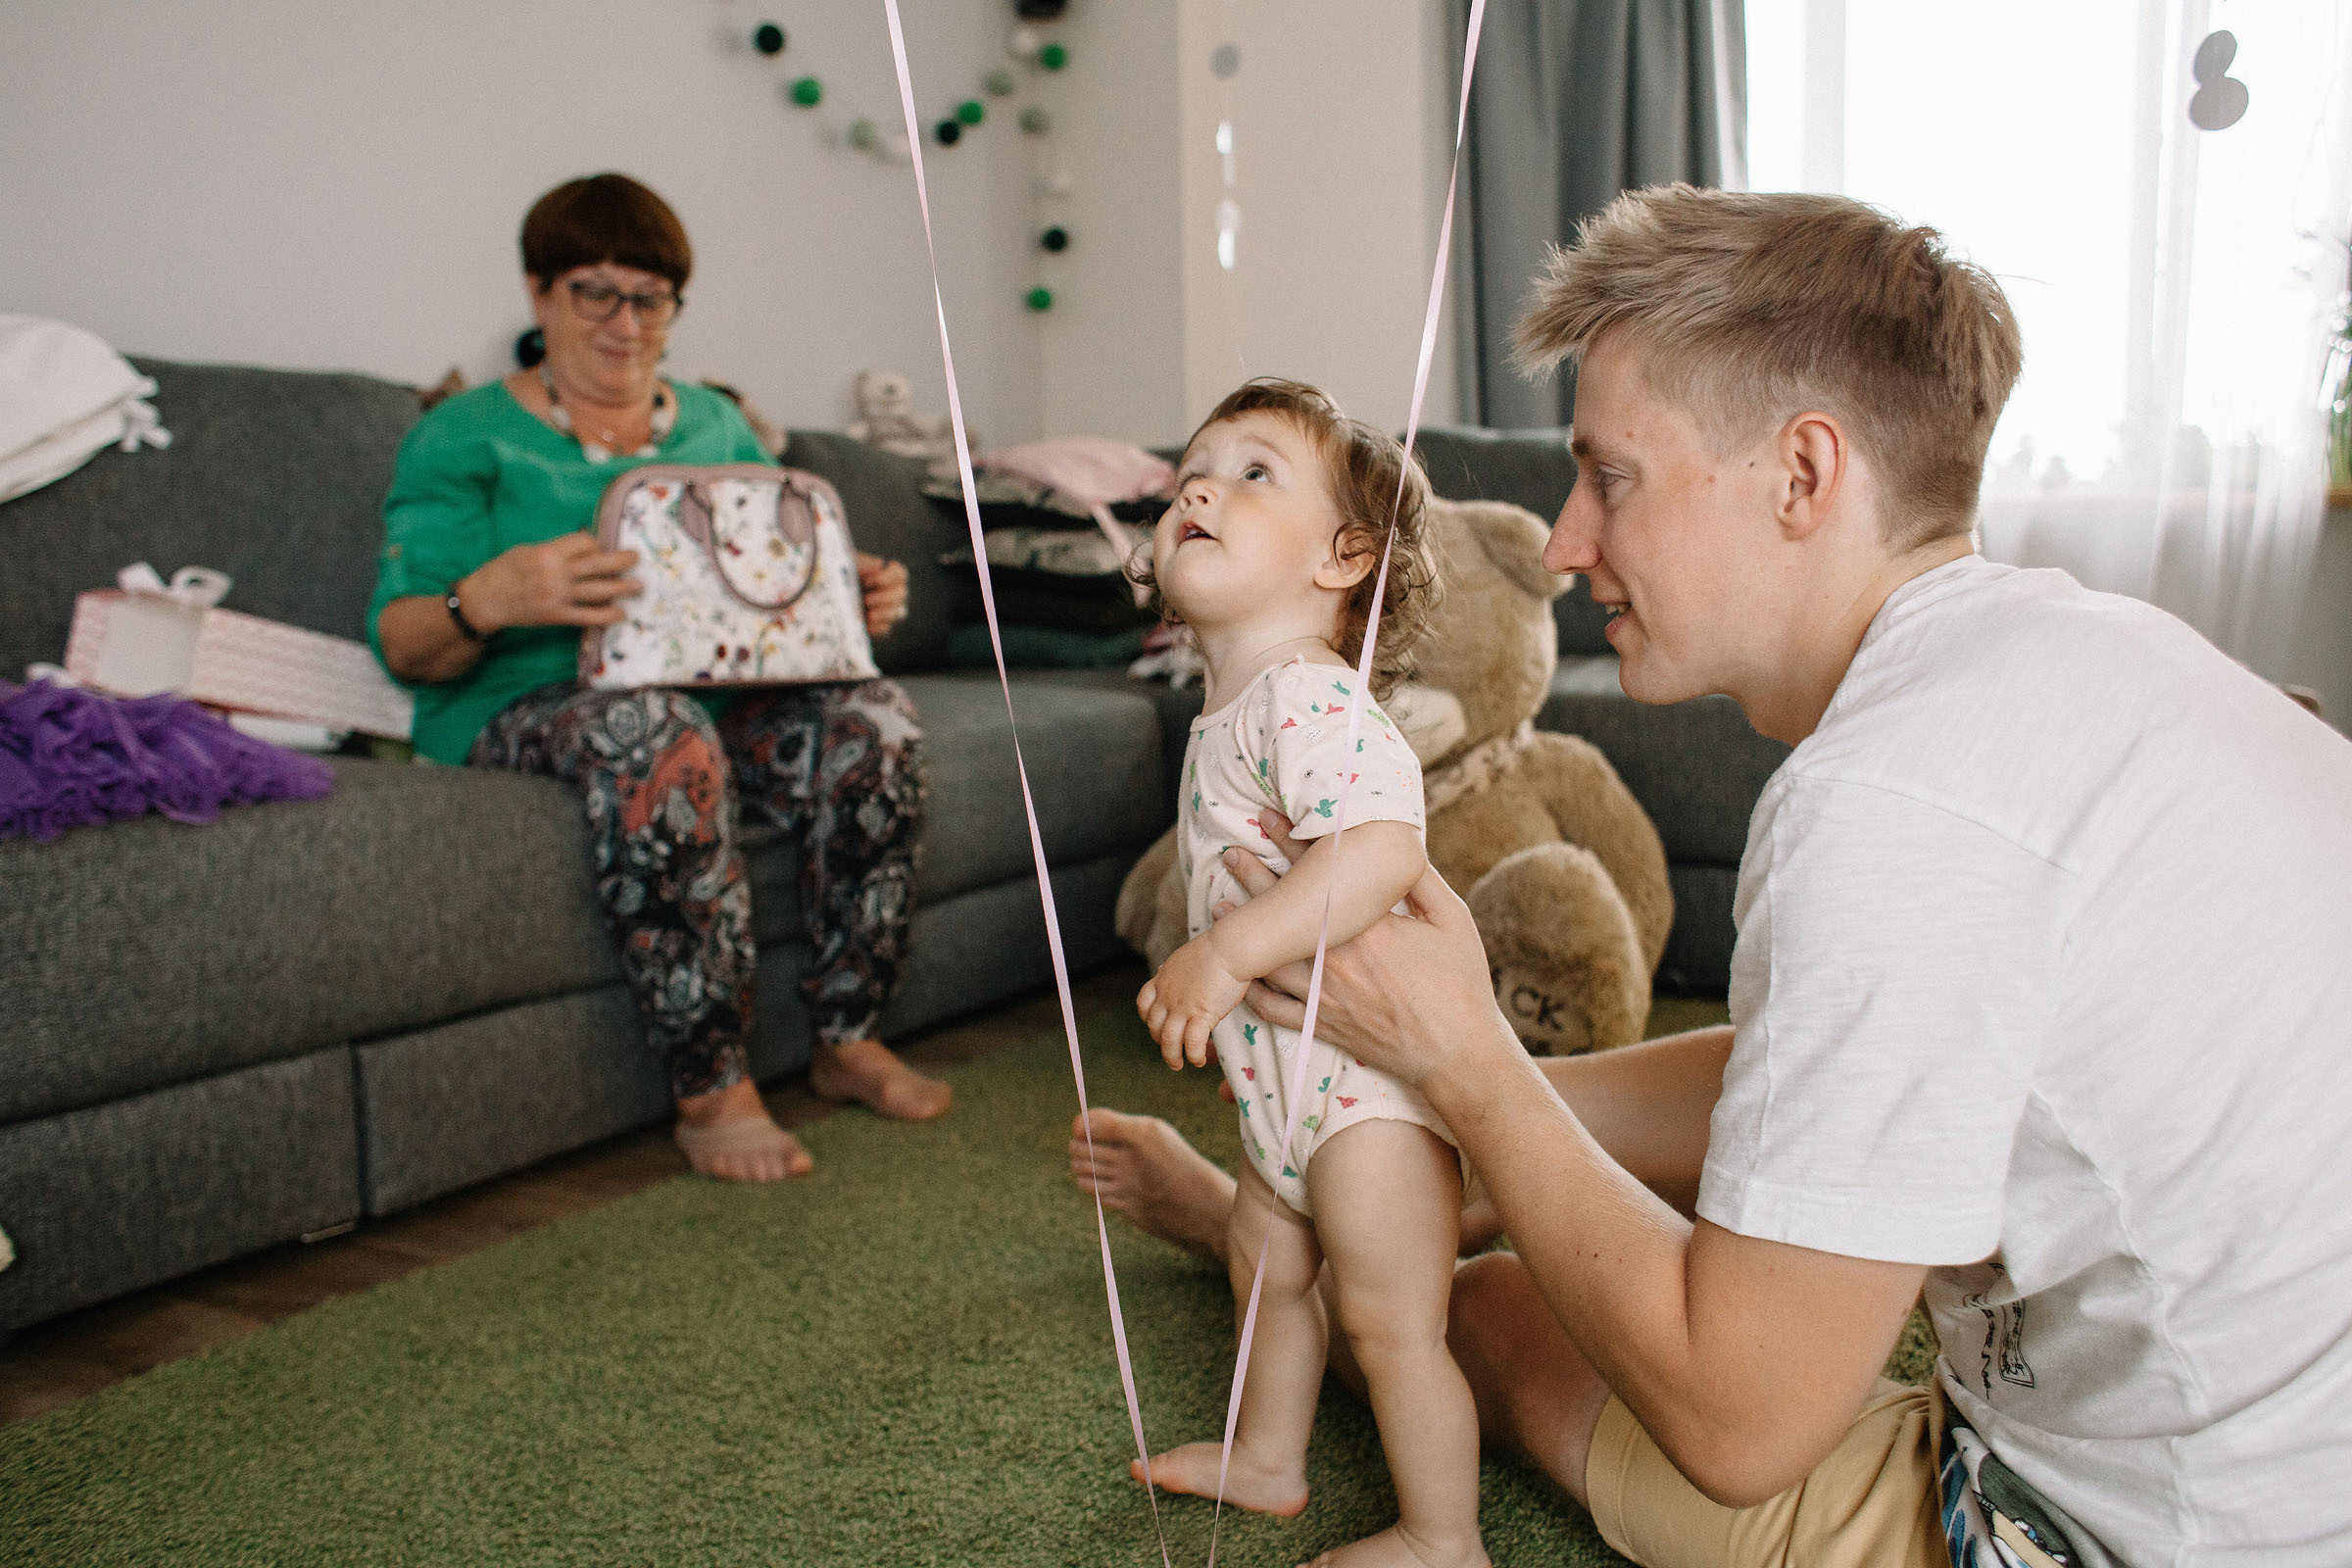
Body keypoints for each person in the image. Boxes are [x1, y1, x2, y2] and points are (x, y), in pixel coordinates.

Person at [1077, 185, 2352, 1567]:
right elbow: (1830, 1058)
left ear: (1804, 474)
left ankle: (1290, 1232)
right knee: (1508, 1223)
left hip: (2160, 1536)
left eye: (1607, 476)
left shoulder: (1889, 809)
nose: (1563, 543)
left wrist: (1470, 1065)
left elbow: (1741, 1425)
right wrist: (1420, 1101)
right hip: (2269, 1454)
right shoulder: (2080, 664)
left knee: (1498, 1317)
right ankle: (1339, 1203)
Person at [369, 172, 952, 1185]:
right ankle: (711, 1082)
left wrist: (838, 599)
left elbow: (756, 590)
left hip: (707, 692)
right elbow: (404, 644)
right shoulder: (461, 438)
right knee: (656, 731)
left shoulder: (714, 431)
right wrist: (490, 597)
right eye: (595, 291)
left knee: (877, 721)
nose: (624, 321)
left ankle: (847, 1033)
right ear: (539, 292)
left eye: (649, 297)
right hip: (522, 699)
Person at [1127, 380, 1481, 1568]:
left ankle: (1445, 1538)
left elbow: (1381, 849)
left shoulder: (1307, 696)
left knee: (1391, 1325)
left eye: (1253, 471)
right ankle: (1268, 1457)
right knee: (1265, 1270)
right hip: (1286, 1085)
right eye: (1195, 466)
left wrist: (1223, 949)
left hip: (1369, 1095)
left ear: (1346, 557)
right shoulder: (1227, 707)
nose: (1201, 484)